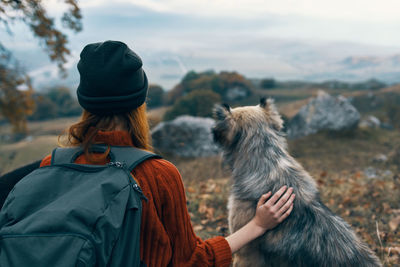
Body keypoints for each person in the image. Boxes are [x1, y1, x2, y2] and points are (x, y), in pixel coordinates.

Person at [8, 40, 296, 266]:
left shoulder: (52, 163)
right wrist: (257, 225)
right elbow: (190, 261)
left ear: (85, 101)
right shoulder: (157, 175)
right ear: (139, 102)